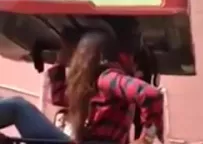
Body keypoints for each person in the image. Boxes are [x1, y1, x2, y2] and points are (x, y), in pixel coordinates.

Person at [0, 30, 164, 144]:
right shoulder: (92, 84)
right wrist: (61, 61)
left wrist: (146, 138)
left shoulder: (108, 78)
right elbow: (61, 98)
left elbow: (150, 94)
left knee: (17, 107)